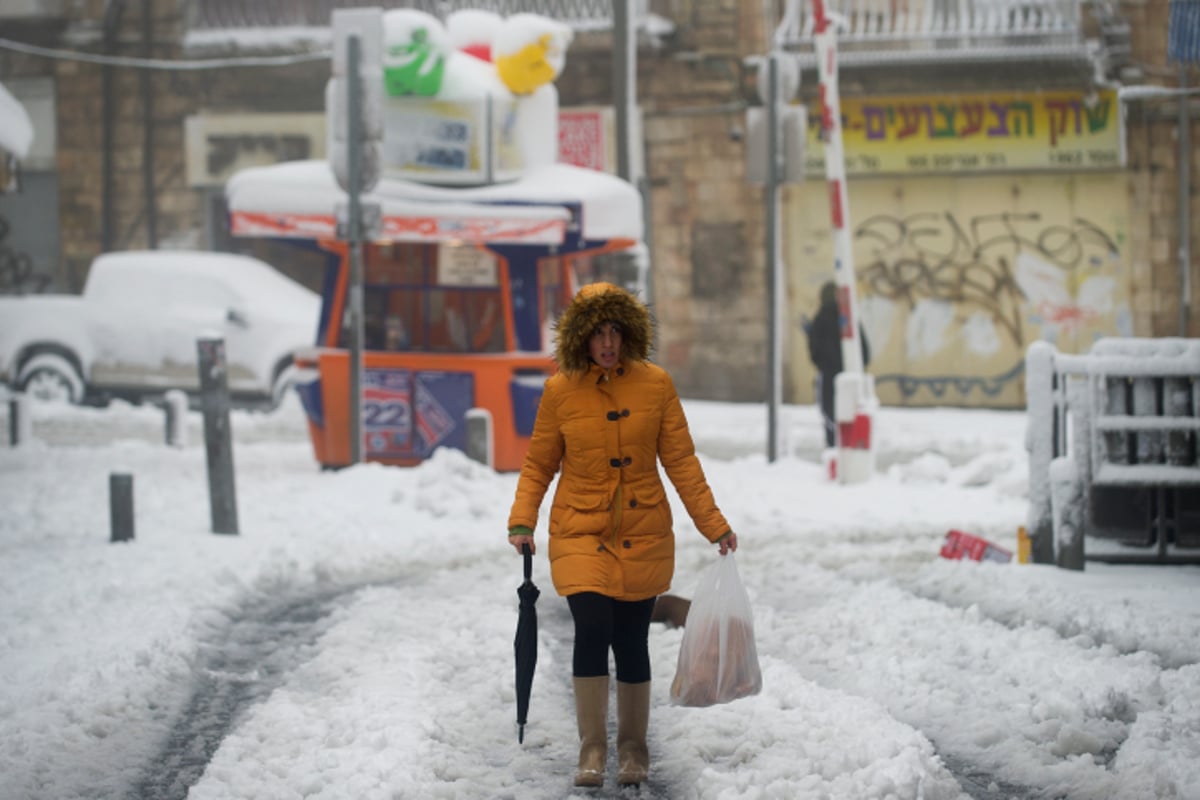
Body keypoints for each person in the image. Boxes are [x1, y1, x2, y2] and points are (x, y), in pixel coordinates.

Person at [507, 282, 737, 789]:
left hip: (643, 528)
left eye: (615, 331)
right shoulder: (560, 390)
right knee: (591, 627)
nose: (607, 343)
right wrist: (522, 520)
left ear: (628, 334)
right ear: (581, 340)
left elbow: (681, 461)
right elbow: (538, 464)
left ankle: (634, 749)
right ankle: (592, 748)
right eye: (597, 334)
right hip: (580, 529)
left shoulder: (656, 384)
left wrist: (712, 523)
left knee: (631, 640)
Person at [805, 280, 870, 448]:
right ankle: (849, 445)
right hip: (850, 374)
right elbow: (864, 349)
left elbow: (814, 351)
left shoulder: (820, 319)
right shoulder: (848, 319)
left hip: (829, 376)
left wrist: (825, 363)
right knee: (851, 413)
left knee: (830, 414)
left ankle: (833, 447)